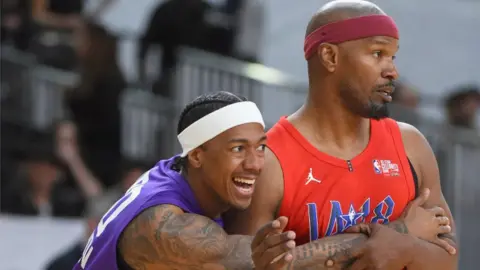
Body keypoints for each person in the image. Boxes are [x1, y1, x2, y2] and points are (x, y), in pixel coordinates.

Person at [224, 1, 459, 269]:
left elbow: (449, 258)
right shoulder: (268, 163)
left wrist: (400, 247)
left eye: (392, 57)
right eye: (377, 53)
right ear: (330, 57)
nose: (392, 71)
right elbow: (246, 266)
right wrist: (399, 235)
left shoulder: (410, 145)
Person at [73, 91, 295, 270]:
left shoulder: (178, 170)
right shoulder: (164, 226)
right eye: (238, 149)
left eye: (260, 147)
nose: (255, 164)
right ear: (197, 156)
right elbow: (257, 258)